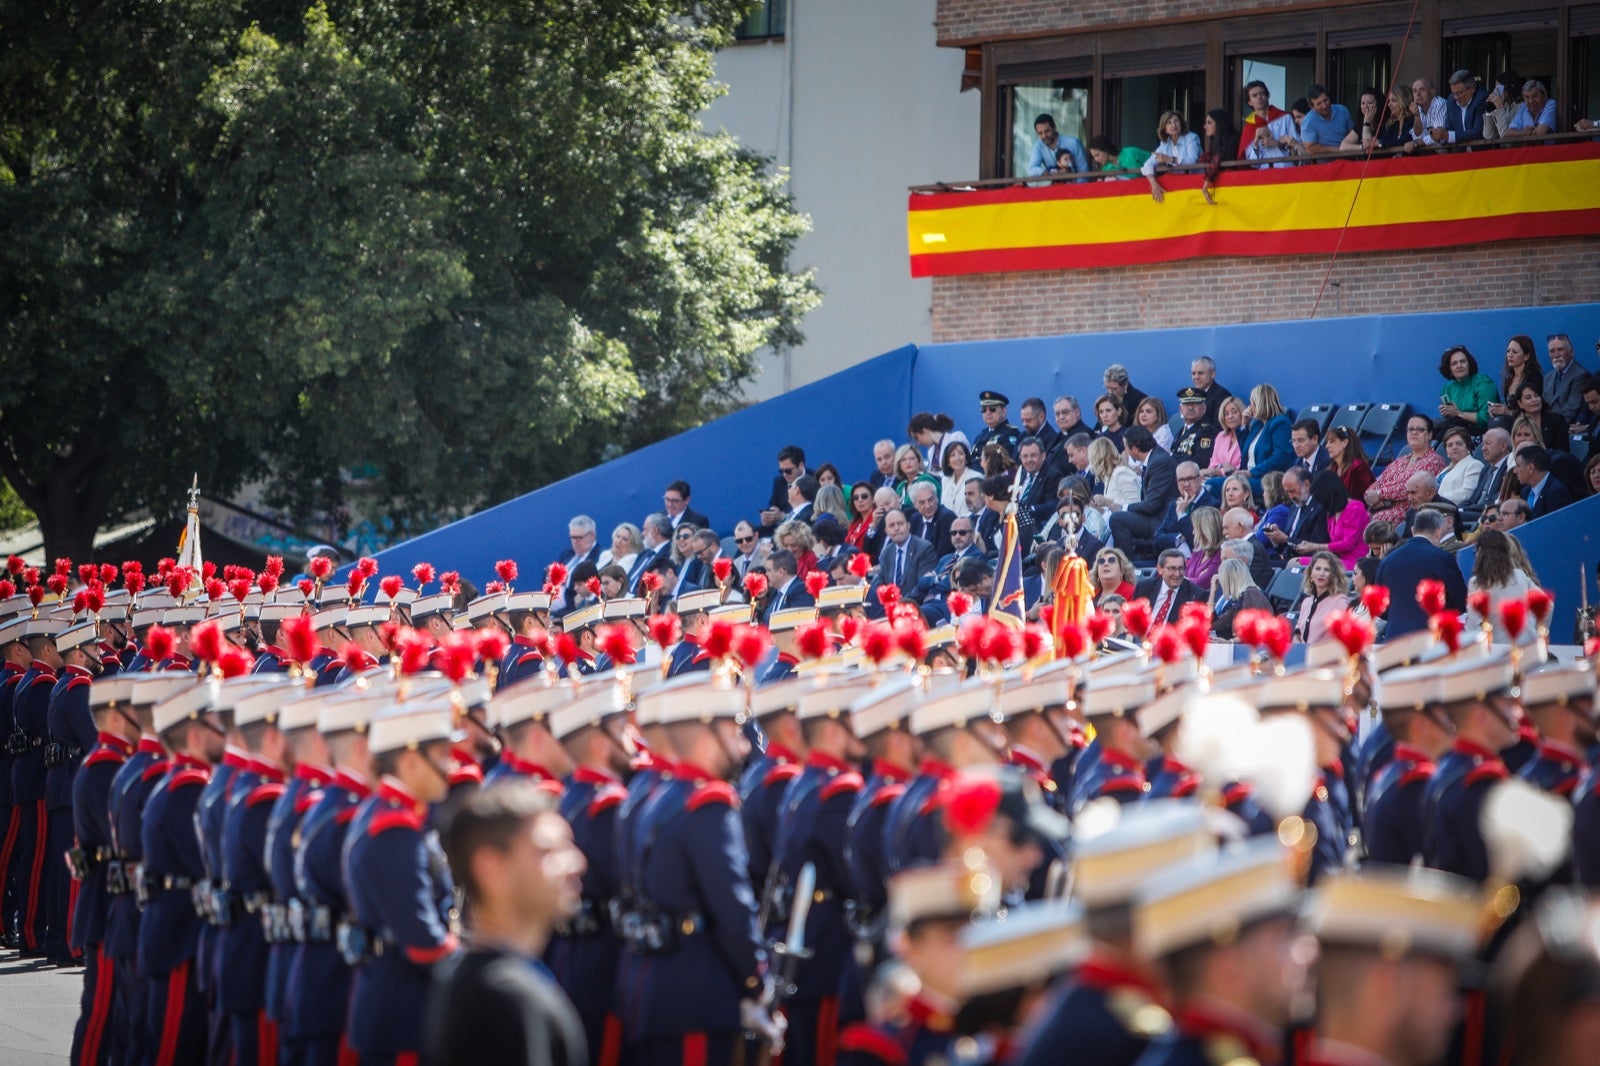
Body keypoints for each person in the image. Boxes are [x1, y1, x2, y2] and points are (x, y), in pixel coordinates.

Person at [425, 781, 587, 1066]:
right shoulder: (504, 997)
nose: (576, 862)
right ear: (492, 869)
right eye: (548, 851)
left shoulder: (483, 980)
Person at [1375, 508, 1468, 638]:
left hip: (1395, 637)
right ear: (1438, 531)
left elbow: (1380, 606)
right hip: (1432, 638)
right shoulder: (1442, 558)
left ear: (1413, 530)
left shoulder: (1388, 559)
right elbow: (1460, 600)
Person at [1365, 414, 1447, 525]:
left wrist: (1380, 494)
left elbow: (1407, 487)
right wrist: (1378, 496)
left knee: (1376, 521)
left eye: (1420, 429)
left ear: (1429, 435)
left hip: (1410, 512)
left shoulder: (1434, 461)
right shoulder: (1400, 461)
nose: (1414, 432)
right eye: (1410, 429)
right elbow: (1373, 487)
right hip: (1381, 509)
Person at [1463, 530, 1537, 642]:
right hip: (1528, 645)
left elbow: (1474, 624)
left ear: (1480, 550)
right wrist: (1535, 627)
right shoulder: (1520, 575)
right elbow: (1548, 605)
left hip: (1499, 648)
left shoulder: (1477, 583)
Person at [1295, 469, 1370, 569]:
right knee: (1295, 562)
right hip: (1335, 559)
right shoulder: (1331, 512)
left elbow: (1348, 544)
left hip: (1354, 561)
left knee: (1299, 564)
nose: (1319, 502)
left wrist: (1314, 546)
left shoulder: (1355, 507)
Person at [1237, 383, 1294, 495]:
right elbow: (1244, 451)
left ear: (1261, 403)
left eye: (1252, 403)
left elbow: (1280, 457)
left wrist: (1252, 473)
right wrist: (1244, 425)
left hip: (1266, 480)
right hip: (1249, 476)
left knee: (1214, 485)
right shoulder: (1257, 424)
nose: (1250, 407)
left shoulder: (1281, 423)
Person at [1436, 344, 1498, 435]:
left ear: (1469, 364)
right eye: (1454, 363)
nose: (1459, 366)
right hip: (1456, 428)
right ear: (1449, 368)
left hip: (1481, 431)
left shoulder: (1483, 382)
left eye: (1463, 361)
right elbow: (1451, 418)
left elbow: (1485, 418)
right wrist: (1447, 412)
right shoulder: (1447, 388)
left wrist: (1459, 413)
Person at [1141, 110, 1201, 202]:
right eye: (1169, 123)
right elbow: (1147, 164)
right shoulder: (1165, 144)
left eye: (1176, 121)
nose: (1173, 125)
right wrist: (1154, 184)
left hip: (1196, 184)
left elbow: (1192, 160)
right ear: (1165, 129)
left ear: (1181, 124)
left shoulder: (1191, 137)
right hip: (1179, 187)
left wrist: (1169, 159)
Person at [1293, 550, 1350, 646]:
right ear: (1311, 573)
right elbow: (1298, 632)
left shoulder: (1340, 602)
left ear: (1333, 576)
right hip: (1302, 655)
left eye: (1326, 570)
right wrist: (1297, 645)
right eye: (1318, 568)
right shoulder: (1307, 602)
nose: (1321, 573)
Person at [1135, 550, 1204, 626]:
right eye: (1172, 568)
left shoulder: (1196, 595)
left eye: (1181, 568)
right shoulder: (1144, 587)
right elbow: (1133, 618)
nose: (1177, 574)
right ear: (1160, 569)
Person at [1489, 334, 1543, 428]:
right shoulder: (1509, 379)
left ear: (1526, 356)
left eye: (1515, 352)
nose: (1510, 355)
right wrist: (1497, 409)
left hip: (1527, 425)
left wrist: (1507, 412)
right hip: (1510, 422)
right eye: (1508, 351)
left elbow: (1533, 409)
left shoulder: (1533, 377)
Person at [1210, 558, 1271, 640]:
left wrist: (1231, 642)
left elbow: (1256, 630)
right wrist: (1213, 592)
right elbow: (1215, 624)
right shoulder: (1240, 599)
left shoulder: (1252, 594)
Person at [1516, 445, 1574, 517]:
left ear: (1530, 468)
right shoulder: (1525, 491)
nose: (1515, 471)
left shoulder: (1557, 492)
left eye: (1518, 466)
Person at [1544, 333, 1591, 421]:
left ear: (1571, 352)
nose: (1556, 355)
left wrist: (1547, 425)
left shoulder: (1581, 375)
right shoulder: (1548, 378)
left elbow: (1571, 409)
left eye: (1560, 349)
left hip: (1565, 429)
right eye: (1552, 351)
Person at [1169, 388, 1220, 469]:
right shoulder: (1181, 431)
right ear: (1180, 409)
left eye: (1195, 404)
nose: (1190, 408)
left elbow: (1201, 462)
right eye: (1186, 404)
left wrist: (1172, 456)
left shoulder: (1208, 431)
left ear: (1204, 408)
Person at [1322, 424, 1375, 502]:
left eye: (1332, 442)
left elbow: (1361, 501)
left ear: (1344, 442)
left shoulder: (1358, 467)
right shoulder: (1331, 469)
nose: (1327, 446)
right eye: (1327, 442)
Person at [1513, 381, 1571, 452]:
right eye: (1528, 398)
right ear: (1520, 404)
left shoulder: (1556, 420)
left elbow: (1563, 451)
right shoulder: (1515, 423)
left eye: (1536, 395)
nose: (1534, 400)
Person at [1436, 426, 1486, 507]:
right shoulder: (1446, 469)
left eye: (1459, 444)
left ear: (1468, 447)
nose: (1454, 447)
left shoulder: (1474, 465)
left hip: (1453, 510)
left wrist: (1437, 501)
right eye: (1450, 445)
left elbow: (1466, 494)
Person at [1196, 109, 1238, 203]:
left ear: (1219, 124)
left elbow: (1217, 159)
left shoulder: (1231, 140)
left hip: (1232, 188)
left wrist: (1206, 185)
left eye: (1209, 123)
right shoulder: (1215, 141)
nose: (1205, 126)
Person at [1087, 437, 1139, 513]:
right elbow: (1113, 509)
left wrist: (1107, 502)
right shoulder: (1108, 477)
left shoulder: (1121, 473)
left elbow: (1136, 502)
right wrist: (1098, 509)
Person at [1239, 79, 1288, 157]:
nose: (1259, 97)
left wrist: (1276, 144)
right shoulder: (1249, 127)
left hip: (1287, 167)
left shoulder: (1285, 117)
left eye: (1261, 94)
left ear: (1267, 96)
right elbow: (1251, 162)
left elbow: (1299, 148)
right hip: (1264, 169)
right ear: (1249, 102)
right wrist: (1256, 141)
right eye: (1254, 95)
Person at [1301, 83, 1355, 154]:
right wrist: (1334, 149)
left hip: (1348, 156)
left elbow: (1354, 133)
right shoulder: (1308, 121)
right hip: (1325, 162)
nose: (1324, 106)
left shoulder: (1342, 110)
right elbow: (1310, 148)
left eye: (1326, 100)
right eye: (1319, 104)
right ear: (1311, 107)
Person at [1200, 395, 1245, 479]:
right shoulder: (1221, 436)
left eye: (1234, 412)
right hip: (1217, 478)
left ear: (1242, 413)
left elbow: (1241, 467)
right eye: (1226, 414)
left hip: (1238, 480)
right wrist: (1223, 467)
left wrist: (1217, 471)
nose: (1230, 416)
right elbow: (1212, 463)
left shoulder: (1247, 435)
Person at [971, 390, 1022, 461]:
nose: (988, 413)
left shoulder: (1011, 434)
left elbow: (1005, 463)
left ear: (1004, 411)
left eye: (992, 409)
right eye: (984, 409)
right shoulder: (980, 436)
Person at [1183, 506, 1223, 588]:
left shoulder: (1221, 554)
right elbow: (1184, 574)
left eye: (1195, 528)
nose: (1193, 533)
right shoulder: (1198, 550)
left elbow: (1202, 583)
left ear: (1205, 530)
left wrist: (1187, 580)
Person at [938, 440, 982, 514]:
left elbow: (979, 508)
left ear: (966, 458)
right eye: (952, 455)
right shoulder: (945, 480)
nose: (957, 458)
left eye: (961, 454)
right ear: (948, 461)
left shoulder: (976, 477)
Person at [1407, 77, 1450, 149]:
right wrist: (1417, 116)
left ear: (1432, 92)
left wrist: (1417, 143)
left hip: (1449, 152)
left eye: (1422, 90)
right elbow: (1417, 136)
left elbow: (1438, 136)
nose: (1418, 94)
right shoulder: (1418, 108)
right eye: (1415, 91)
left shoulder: (1439, 104)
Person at [1481, 71, 1525, 140]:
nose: (1495, 92)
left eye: (1498, 89)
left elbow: (1506, 138)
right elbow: (1488, 136)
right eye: (1495, 88)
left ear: (1510, 88)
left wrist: (1499, 108)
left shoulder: (1522, 106)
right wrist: (1489, 109)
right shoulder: (1505, 106)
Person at [1339, 86, 1384, 151]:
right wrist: (1361, 147)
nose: (1366, 106)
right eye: (1363, 103)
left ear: (1378, 104)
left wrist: (1366, 124)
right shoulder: (1360, 124)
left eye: (1370, 103)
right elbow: (1343, 146)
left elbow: (1368, 145)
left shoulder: (1386, 123)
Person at [1373, 84, 1417, 149]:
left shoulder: (1413, 120)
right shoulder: (1394, 124)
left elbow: (1404, 141)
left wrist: (1380, 143)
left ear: (1404, 101)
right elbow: (1383, 140)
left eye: (1393, 100)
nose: (1389, 104)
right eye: (1389, 101)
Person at [845, 482, 878, 551]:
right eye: (856, 498)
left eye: (864, 496)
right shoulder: (854, 523)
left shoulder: (877, 519)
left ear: (873, 499)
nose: (860, 500)